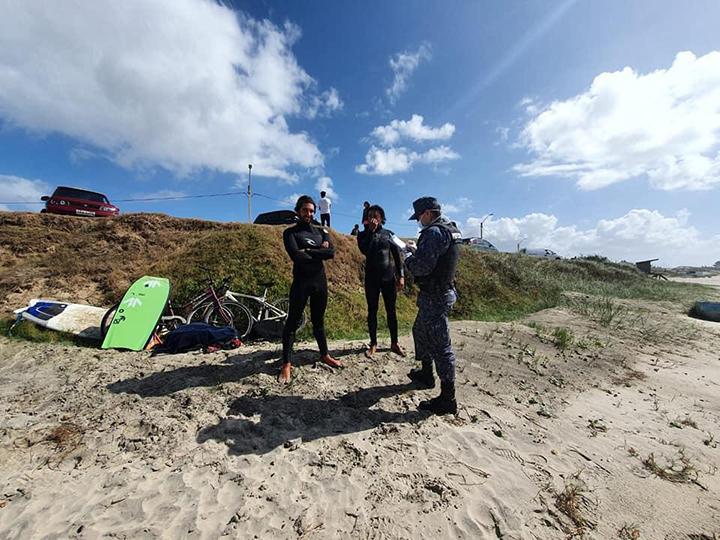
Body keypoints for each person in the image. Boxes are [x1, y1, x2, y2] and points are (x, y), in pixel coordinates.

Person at [404, 197, 462, 415]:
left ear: (428, 213)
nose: (418, 220)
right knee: (419, 330)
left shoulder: (433, 232)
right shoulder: (450, 229)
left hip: (435, 296)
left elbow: (421, 267)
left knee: (441, 347)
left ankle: (448, 398)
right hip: (441, 291)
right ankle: (426, 374)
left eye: (419, 216)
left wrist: (408, 256)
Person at [279, 195, 341, 383]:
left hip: (319, 283)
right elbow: (297, 257)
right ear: (298, 210)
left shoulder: (321, 231)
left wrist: (308, 251)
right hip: (301, 283)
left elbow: (331, 253)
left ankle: (324, 354)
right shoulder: (290, 233)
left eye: (312, 211)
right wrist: (316, 252)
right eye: (306, 210)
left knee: (318, 321)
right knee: (292, 323)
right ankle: (286, 364)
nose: (309, 213)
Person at [357, 205, 406, 359]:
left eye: (376, 215)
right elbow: (366, 250)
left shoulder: (389, 234)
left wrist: (401, 275)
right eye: (370, 215)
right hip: (371, 278)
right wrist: (371, 232)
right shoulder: (362, 235)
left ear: (381, 218)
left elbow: (397, 256)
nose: (373, 218)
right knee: (372, 311)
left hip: (388, 277)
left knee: (391, 310)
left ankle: (394, 342)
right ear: (366, 218)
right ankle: (373, 343)